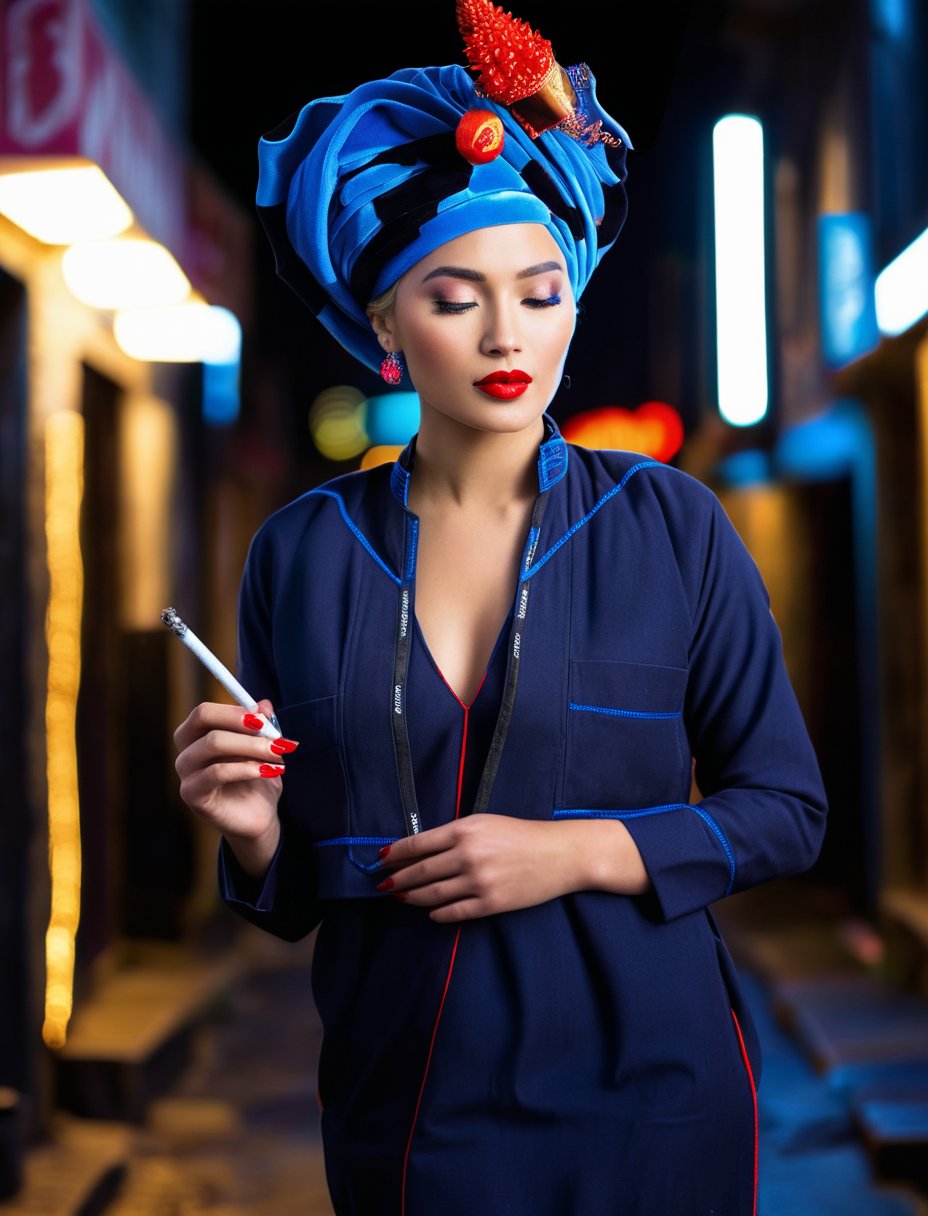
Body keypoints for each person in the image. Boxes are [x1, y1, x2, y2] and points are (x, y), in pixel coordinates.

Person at [173, 2, 828, 1212]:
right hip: (409, 1104)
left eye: (538, 291)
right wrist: (251, 831)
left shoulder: (674, 524)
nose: (504, 334)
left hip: (656, 1098)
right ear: (382, 323)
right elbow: (295, 883)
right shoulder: (298, 554)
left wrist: (573, 851)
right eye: (452, 295)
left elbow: (785, 809)